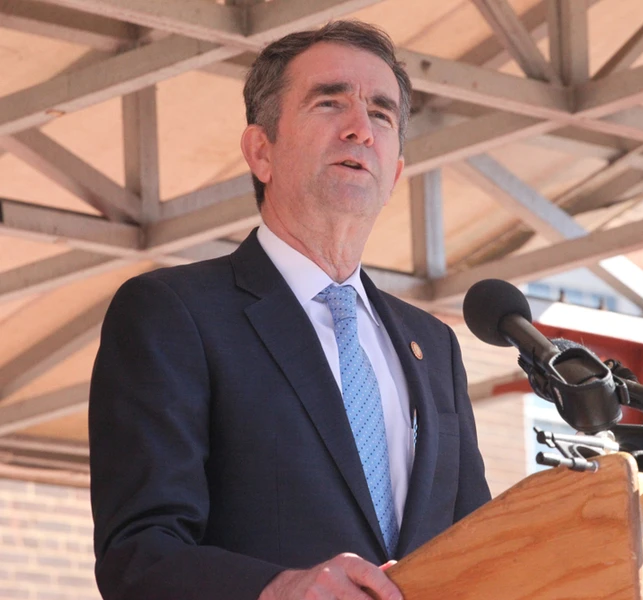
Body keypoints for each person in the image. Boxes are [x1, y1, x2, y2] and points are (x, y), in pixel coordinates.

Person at [89, 20, 491, 600]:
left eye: (381, 114)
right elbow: (139, 554)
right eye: (330, 103)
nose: (361, 129)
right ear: (261, 150)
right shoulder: (174, 313)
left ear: (395, 172)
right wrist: (278, 589)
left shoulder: (433, 346)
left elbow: (477, 548)